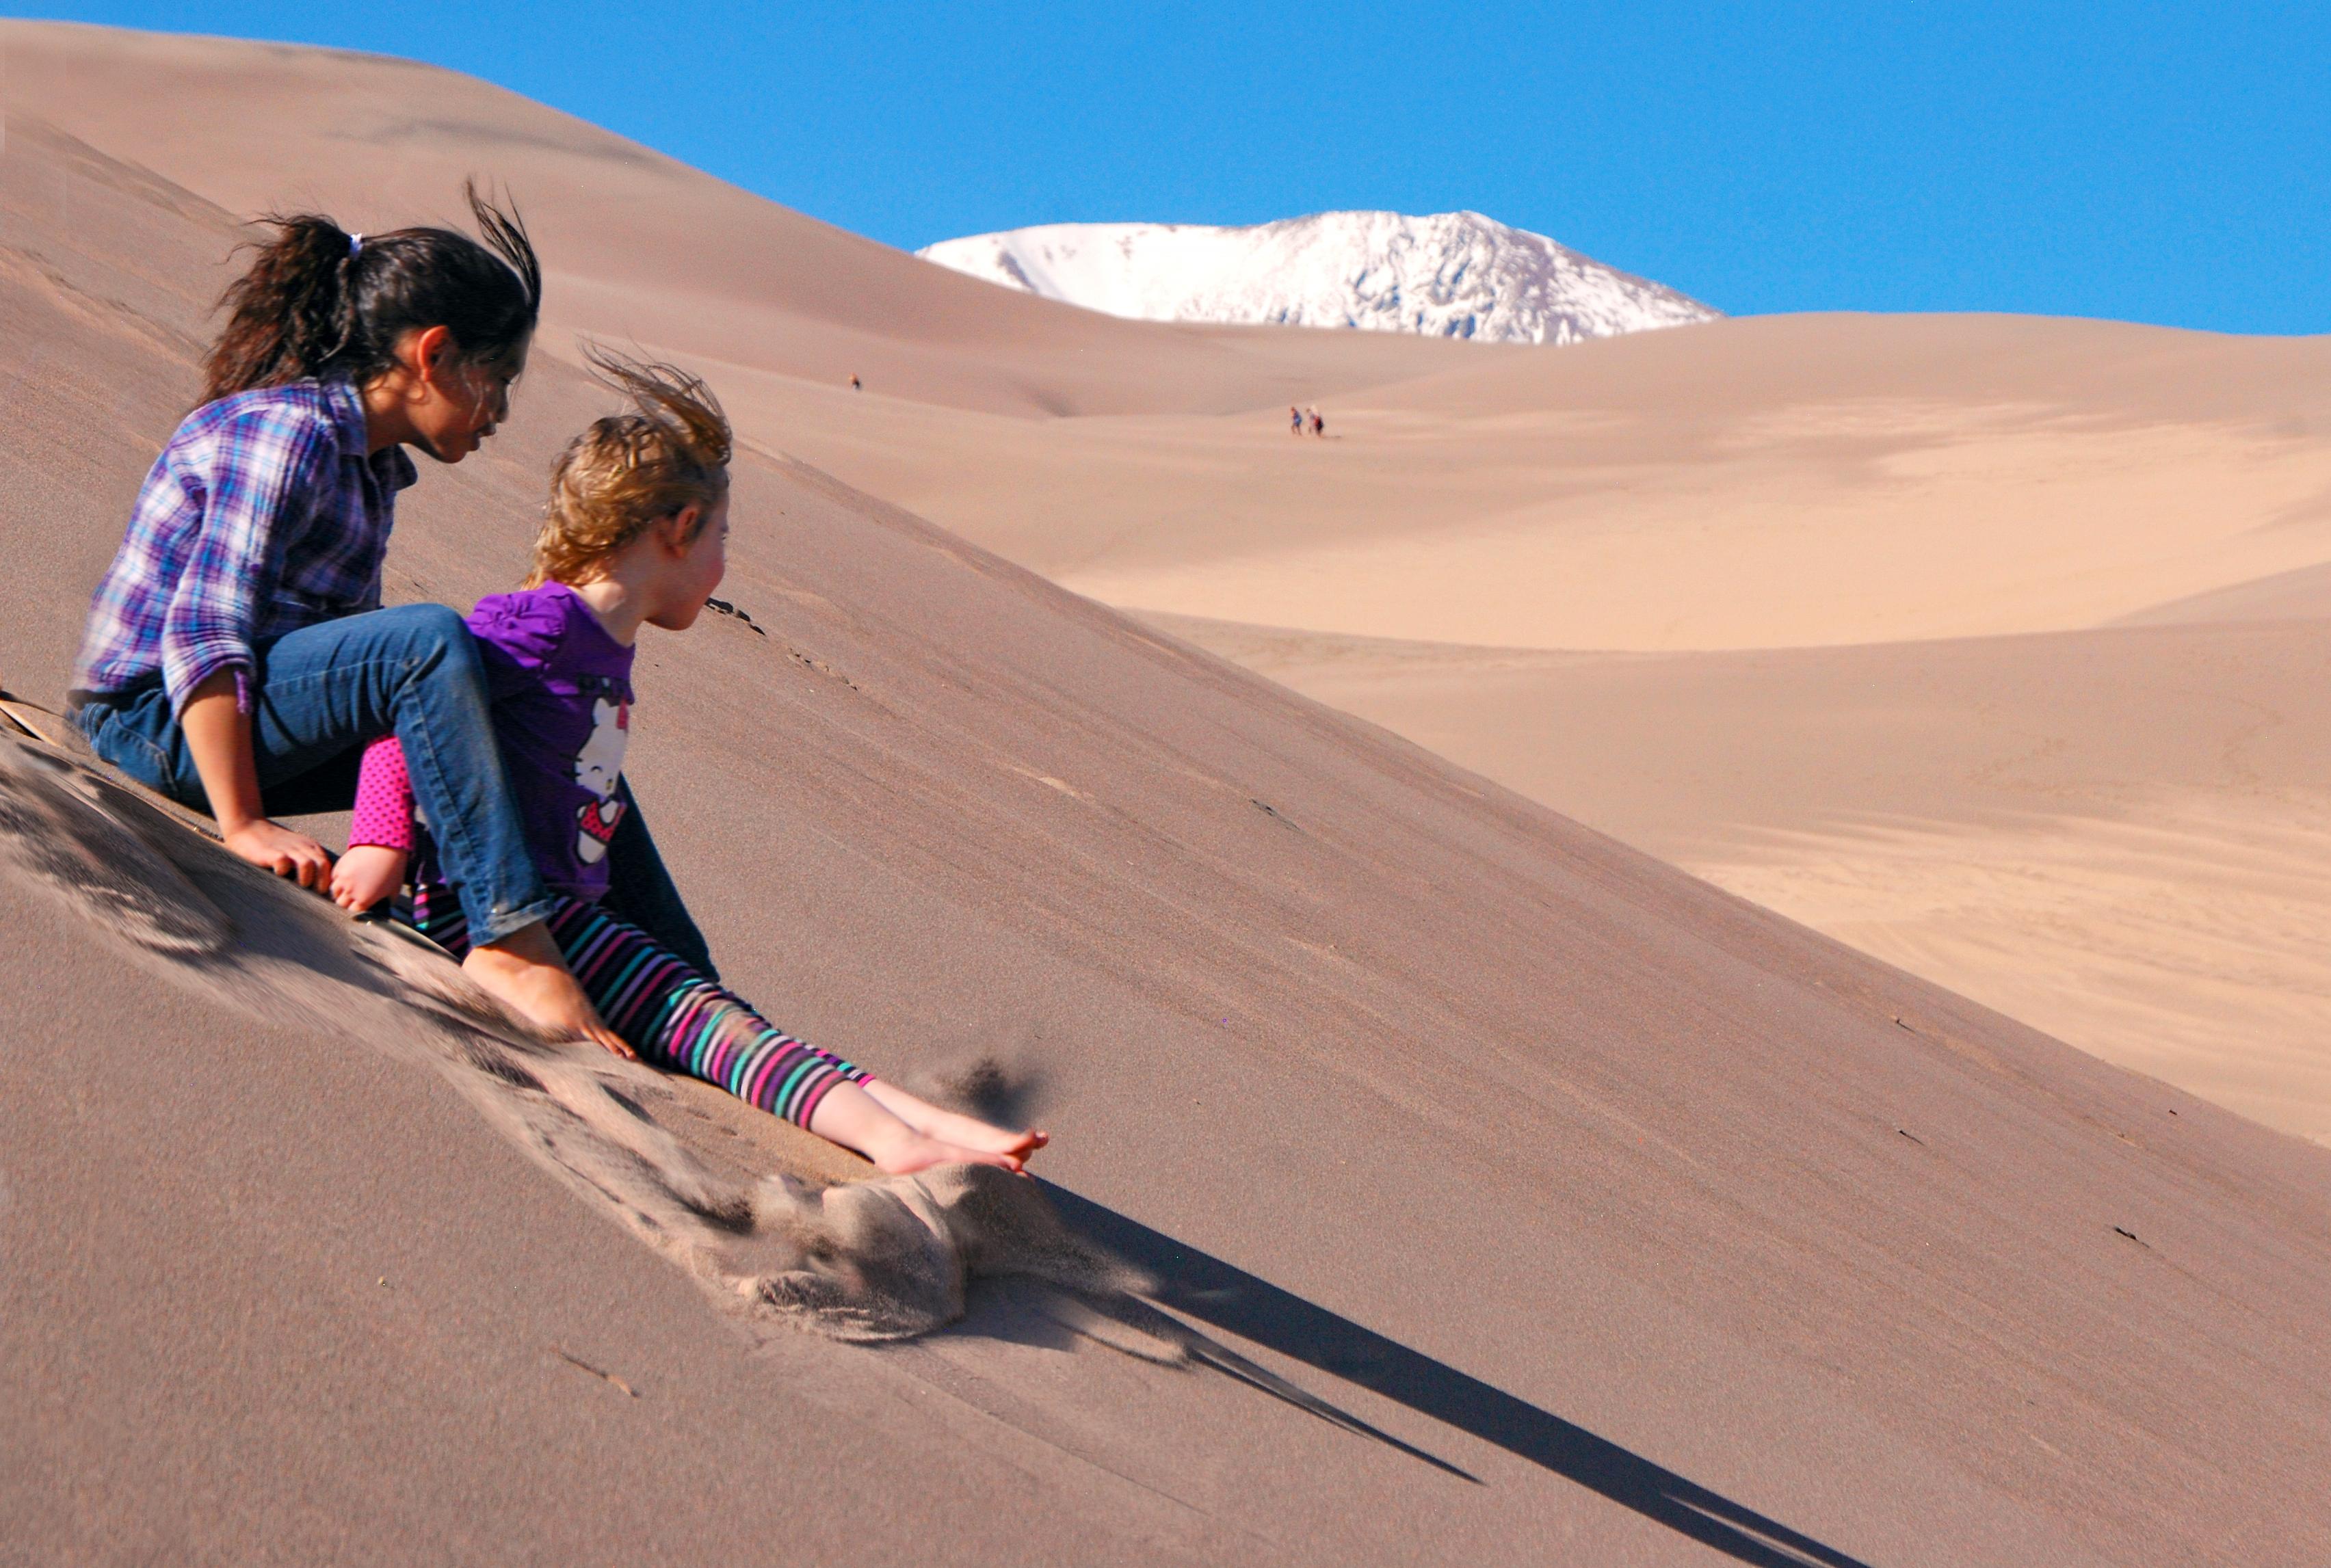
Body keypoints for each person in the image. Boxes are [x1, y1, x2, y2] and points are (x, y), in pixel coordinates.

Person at [330, 351, 1045, 1175]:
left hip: (574, 916)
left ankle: (930, 1122)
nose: (724, 563)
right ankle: (898, 1142)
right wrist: (379, 839)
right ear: (675, 531)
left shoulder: (600, 638)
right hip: (496, 916)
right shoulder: (541, 625)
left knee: (719, 1015)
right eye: (722, 535)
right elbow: (412, 713)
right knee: (707, 1022)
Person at [67, 185, 690, 1044]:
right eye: (498, 380)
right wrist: (242, 822)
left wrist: (381, 831)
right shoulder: (283, 436)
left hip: (247, 724)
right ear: (433, 355)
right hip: (155, 722)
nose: (502, 413)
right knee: (431, 640)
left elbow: (365, 684)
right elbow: (205, 635)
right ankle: (510, 938)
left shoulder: (371, 470)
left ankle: (684, 986)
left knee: (557, 734)